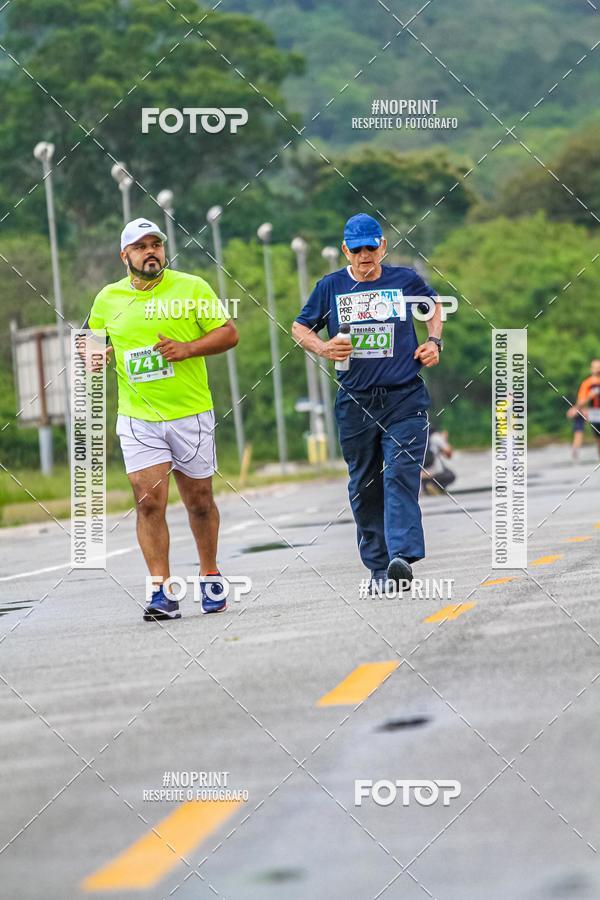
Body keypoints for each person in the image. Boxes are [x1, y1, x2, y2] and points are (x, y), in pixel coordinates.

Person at [84, 218, 239, 621]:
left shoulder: (191, 288)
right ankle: (162, 592)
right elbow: (90, 341)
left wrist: (187, 349)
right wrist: (94, 356)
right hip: (138, 418)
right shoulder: (107, 298)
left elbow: (228, 333)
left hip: (190, 413)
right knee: (149, 502)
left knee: (199, 501)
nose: (150, 251)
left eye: (156, 244)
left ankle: (209, 575)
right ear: (125, 256)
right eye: (141, 246)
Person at [292, 213, 443, 593]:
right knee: (365, 484)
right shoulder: (331, 287)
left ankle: (402, 556)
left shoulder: (404, 280)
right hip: (356, 402)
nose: (364, 256)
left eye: (370, 248)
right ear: (345, 250)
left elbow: (434, 306)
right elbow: (299, 327)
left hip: (404, 396)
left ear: (383, 247)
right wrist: (323, 347)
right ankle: (378, 567)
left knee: (399, 473)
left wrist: (434, 342)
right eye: (356, 249)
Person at [567, 360, 600, 460]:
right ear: (591, 369)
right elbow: (581, 402)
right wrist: (590, 397)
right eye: (595, 367)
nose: (598, 369)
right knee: (597, 437)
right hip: (593, 413)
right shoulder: (587, 383)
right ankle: (575, 449)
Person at [421, 428, 455, 494]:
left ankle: (426, 487)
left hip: (419, 474)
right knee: (450, 475)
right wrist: (444, 440)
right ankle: (434, 485)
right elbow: (449, 454)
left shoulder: (413, 437)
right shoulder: (435, 437)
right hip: (434, 472)